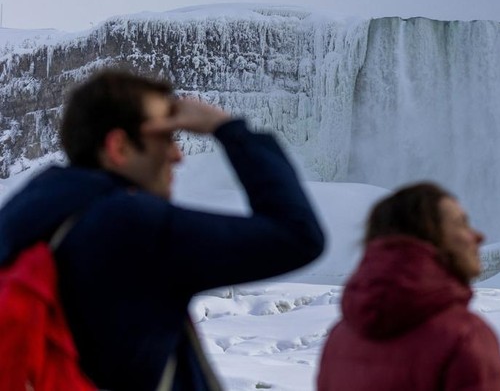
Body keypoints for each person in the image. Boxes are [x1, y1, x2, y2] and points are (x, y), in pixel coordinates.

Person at [0, 70, 325, 390]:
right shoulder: (132, 226)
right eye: (166, 137)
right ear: (119, 147)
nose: (177, 155)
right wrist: (226, 128)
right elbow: (297, 235)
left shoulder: (24, 218)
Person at [317, 182, 500, 391]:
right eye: (461, 223)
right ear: (431, 237)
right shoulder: (463, 337)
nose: (478, 236)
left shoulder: (340, 339)